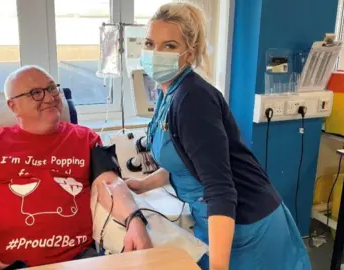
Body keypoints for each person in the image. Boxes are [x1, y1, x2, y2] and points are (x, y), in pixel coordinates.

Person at [126, 2, 311, 270]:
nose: (155, 53)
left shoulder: (193, 99)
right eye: (149, 43)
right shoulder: (168, 92)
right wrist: (145, 185)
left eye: (169, 46)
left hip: (244, 222)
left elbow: (220, 187)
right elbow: (186, 160)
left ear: (188, 55)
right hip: (217, 220)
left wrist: (219, 267)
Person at [0, 65, 153, 270]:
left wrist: (134, 219)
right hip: (2, 264)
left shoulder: (86, 139)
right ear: (13, 105)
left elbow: (109, 182)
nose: (49, 98)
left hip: (77, 261)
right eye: (36, 93)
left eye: (51, 88)